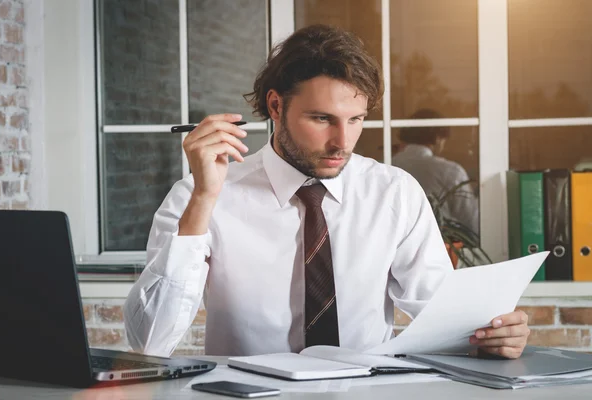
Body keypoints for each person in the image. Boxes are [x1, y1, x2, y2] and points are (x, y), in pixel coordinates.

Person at [124, 24, 529, 359]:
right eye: (322, 119)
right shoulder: (202, 195)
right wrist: (203, 201)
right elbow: (149, 341)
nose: (342, 142)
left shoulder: (393, 193)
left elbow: (448, 322)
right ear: (276, 107)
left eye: (356, 120)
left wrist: (494, 334)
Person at [392, 109, 480, 235]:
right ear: (438, 138)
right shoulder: (450, 171)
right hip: (445, 247)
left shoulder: (388, 165)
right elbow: (471, 222)